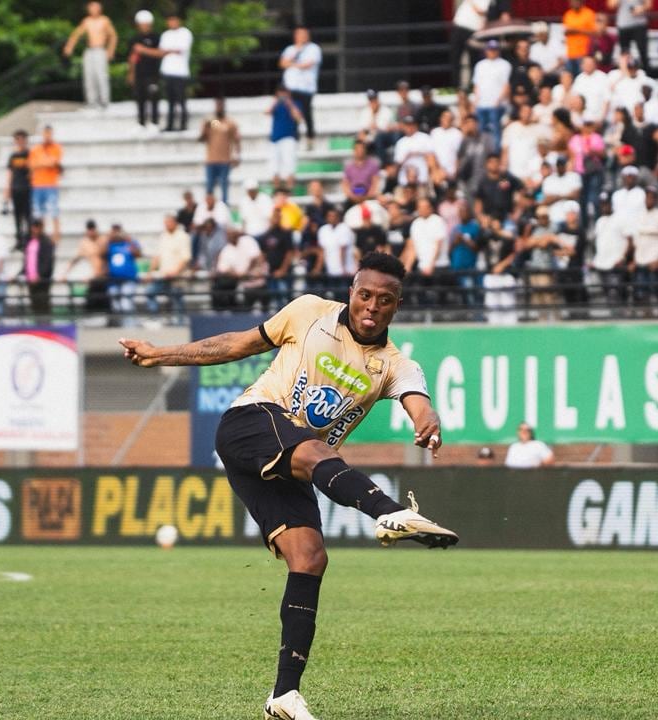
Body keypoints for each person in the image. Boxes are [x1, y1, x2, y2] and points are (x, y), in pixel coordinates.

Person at [118, 251, 457, 720]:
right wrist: (160, 354)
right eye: (365, 294)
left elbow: (420, 403)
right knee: (319, 451)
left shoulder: (396, 365)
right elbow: (236, 345)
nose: (372, 306)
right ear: (351, 293)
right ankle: (389, 511)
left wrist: (429, 422)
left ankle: (283, 696)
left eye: (384, 300)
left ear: (395, 307)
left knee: (310, 557)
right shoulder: (307, 312)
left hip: (295, 458)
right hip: (250, 423)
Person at [62, 1, 117, 110]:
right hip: (89, 51)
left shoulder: (104, 20)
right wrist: (69, 47)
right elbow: (76, 34)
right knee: (89, 76)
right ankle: (91, 101)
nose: (93, 9)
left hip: (100, 50)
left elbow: (113, 36)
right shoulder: (87, 21)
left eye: (95, 7)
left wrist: (110, 51)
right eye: (91, 7)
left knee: (101, 75)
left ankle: (104, 100)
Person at [281, 26, 323, 146]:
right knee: (292, 113)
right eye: (299, 34)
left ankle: (310, 138)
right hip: (290, 87)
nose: (302, 36)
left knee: (307, 113)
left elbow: (308, 64)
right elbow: (282, 63)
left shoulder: (313, 49)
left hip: (306, 88)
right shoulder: (290, 49)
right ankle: (294, 137)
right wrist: (296, 62)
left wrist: (292, 64)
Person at [147, 214, 191, 319]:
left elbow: (186, 258)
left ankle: (180, 323)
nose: (167, 225)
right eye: (165, 223)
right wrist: (150, 272)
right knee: (150, 292)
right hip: (163, 276)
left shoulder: (183, 236)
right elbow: (157, 256)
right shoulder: (163, 236)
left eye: (169, 222)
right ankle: (155, 318)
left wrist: (175, 272)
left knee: (176, 298)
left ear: (175, 223)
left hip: (177, 277)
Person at [200, 98, 241, 203]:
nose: (219, 108)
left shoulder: (230, 123)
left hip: (225, 160)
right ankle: (209, 210)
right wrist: (205, 128)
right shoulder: (211, 122)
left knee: (224, 187)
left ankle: (224, 210)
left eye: (221, 105)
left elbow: (237, 140)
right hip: (211, 160)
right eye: (217, 105)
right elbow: (201, 139)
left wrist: (237, 156)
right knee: (209, 187)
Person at [472, 40, 512, 149]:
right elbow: (476, 85)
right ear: (486, 51)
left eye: (494, 49)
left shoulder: (504, 64)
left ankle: (495, 154)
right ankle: (482, 152)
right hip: (482, 104)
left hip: (496, 105)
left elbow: (506, 85)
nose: (492, 52)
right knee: (481, 131)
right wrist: (476, 101)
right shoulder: (480, 65)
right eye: (490, 49)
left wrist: (498, 101)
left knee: (496, 132)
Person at [128, 10, 164, 130]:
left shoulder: (157, 38)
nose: (144, 26)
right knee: (140, 98)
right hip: (139, 73)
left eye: (147, 23)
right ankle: (141, 122)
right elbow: (132, 57)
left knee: (154, 96)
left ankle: (154, 122)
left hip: (153, 72)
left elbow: (161, 53)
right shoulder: (134, 39)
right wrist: (131, 73)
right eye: (142, 23)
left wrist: (143, 50)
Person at [28, 125, 64, 244]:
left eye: (49, 134)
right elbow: (32, 165)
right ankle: (41, 235)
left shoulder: (56, 147)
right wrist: (46, 162)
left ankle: (56, 236)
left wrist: (43, 162)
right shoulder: (36, 149)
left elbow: (55, 163)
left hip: (51, 184)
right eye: (45, 134)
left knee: (54, 210)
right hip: (37, 184)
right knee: (39, 212)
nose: (47, 136)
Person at [158, 13, 193, 132]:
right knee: (170, 100)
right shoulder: (165, 35)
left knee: (181, 99)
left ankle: (183, 123)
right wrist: (171, 50)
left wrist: (169, 50)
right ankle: (170, 124)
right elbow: (162, 51)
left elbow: (181, 49)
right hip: (168, 71)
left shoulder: (185, 33)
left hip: (180, 72)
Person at [269, 85, 305, 190]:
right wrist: (276, 101)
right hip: (275, 139)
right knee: (274, 168)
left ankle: (289, 192)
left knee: (290, 167)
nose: (282, 95)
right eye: (280, 92)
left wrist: (289, 104)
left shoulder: (295, 104)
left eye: (284, 92)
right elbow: (267, 112)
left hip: (289, 139)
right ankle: (277, 192)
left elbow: (298, 118)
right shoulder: (276, 104)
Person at [3, 130, 32, 247]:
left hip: (27, 189)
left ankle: (29, 238)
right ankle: (19, 240)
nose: (20, 142)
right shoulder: (13, 156)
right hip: (16, 189)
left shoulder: (30, 154)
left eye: (22, 139)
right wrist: (6, 194)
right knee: (17, 216)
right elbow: (9, 175)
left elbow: (33, 171)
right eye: (17, 139)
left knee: (28, 215)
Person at [22, 219, 56, 316]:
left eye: (37, 226)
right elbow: (27, 261)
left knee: (43, 304)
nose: (35, 229)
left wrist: (39, 275)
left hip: (42, 281)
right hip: (30, 279)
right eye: (34, 226)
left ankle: (46, 328)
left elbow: (48, 262)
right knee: (34, 305)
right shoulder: (30, 241)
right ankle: (37, 327)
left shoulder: (46, 242)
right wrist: (21, 273)